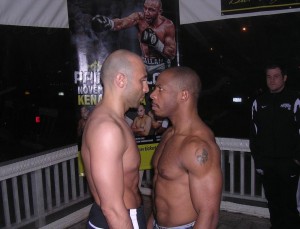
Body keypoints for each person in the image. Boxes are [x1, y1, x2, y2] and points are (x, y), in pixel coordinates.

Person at [81, 49, 149, 229]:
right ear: (121, 80)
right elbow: (112, 209)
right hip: (121, 220)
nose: (146, 88)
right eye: (142, 80)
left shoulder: (113, 120)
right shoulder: (107, 129)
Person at [147, 66, 223, 229]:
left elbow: (208, 215)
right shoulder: (169, 134)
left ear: (184, 95)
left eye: (160, 89)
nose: (152, 95)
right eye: (155, 88)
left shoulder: (197, 146)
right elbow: (160, 187)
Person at [250, 63, 300, 229]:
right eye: (268, 76)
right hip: (267, 164)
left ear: (284, 78)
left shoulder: (295, 99)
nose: (272, 80)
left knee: (289, 203)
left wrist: (296, 159)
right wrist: (258, 161)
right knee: (273, 202)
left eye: (276, 76)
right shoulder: (259, 101)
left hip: (289, 164)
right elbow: (254, 134)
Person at [91, 0, 176, 77]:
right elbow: (122, 22)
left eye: (151, 10)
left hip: (161, 66)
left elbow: (171, 54)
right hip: (144, 64)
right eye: (145, 8)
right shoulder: (140, 18)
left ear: (159, 12)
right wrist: (109, 23)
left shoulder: (167, 25)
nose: (146, 12)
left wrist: (156, 43)